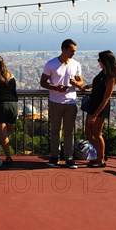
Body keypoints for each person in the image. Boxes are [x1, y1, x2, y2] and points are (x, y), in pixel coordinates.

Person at [40, 39, 83, 169]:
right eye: (71, 51)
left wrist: (76, 83)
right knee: (55, 130)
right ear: (64, 49)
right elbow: (43, 82)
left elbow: (81, 83)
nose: (73, 54)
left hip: (70, 102)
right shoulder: (51, 64)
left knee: (69, 131)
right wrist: (54, 87)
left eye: (74, 51)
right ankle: (55, 157)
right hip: (55, 102)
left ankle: (69, 158)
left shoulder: (76, 64)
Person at [83, 50, 116, 168]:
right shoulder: (103, 73)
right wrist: (89, 86)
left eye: (99, 60)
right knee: (88, 133)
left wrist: (96, 115)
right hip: (93, 105)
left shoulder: (111, 77)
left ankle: (101, 159)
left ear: (105, 61)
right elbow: (99, 84)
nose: (98, 62)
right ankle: (101, 155)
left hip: (100, 108)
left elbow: (106, 98)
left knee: (97, 133)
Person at [0, 55, 18, 166]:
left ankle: (8, 157)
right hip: (13, 106)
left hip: (0, 105)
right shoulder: (11, 75)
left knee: (3, 133)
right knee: (7, 132)